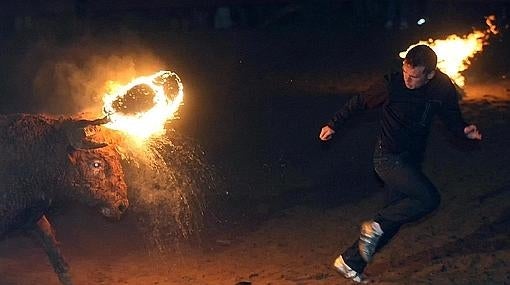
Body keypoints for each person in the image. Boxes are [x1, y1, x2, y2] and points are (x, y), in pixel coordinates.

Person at [318, 45, 482, 283]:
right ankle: (372, 230)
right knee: (428, 199)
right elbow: (358, 103)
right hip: (387, 158)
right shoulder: (391, 84)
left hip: (411, 160)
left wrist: (463, 130)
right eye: (405, 72)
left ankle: (349, 262)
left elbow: (451, 116)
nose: (407, 80)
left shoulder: (442, 87)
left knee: (392, 219)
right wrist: (333, 124)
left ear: (430, 74)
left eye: (414, 76)